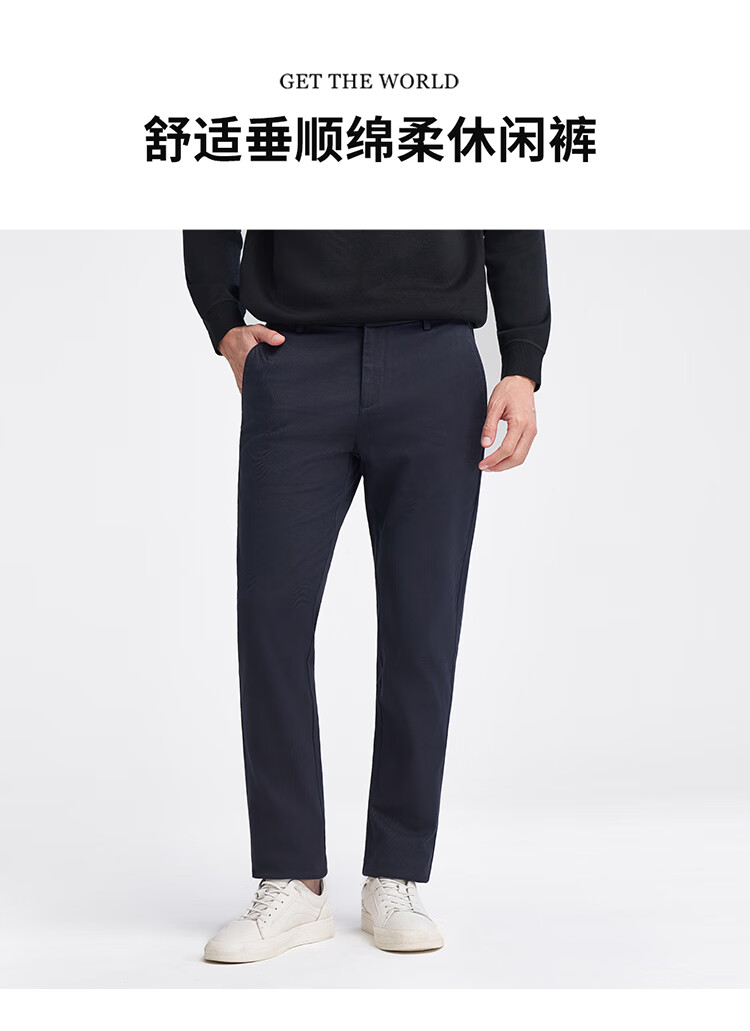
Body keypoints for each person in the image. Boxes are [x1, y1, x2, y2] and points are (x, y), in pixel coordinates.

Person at [183, 230, 551, 963]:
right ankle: (292, 878)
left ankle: (397, 873)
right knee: (272, 623)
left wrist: (522, 363)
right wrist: (224, 322)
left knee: (423, 627)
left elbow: (512, 212)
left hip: (436, 360)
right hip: (295, 359)